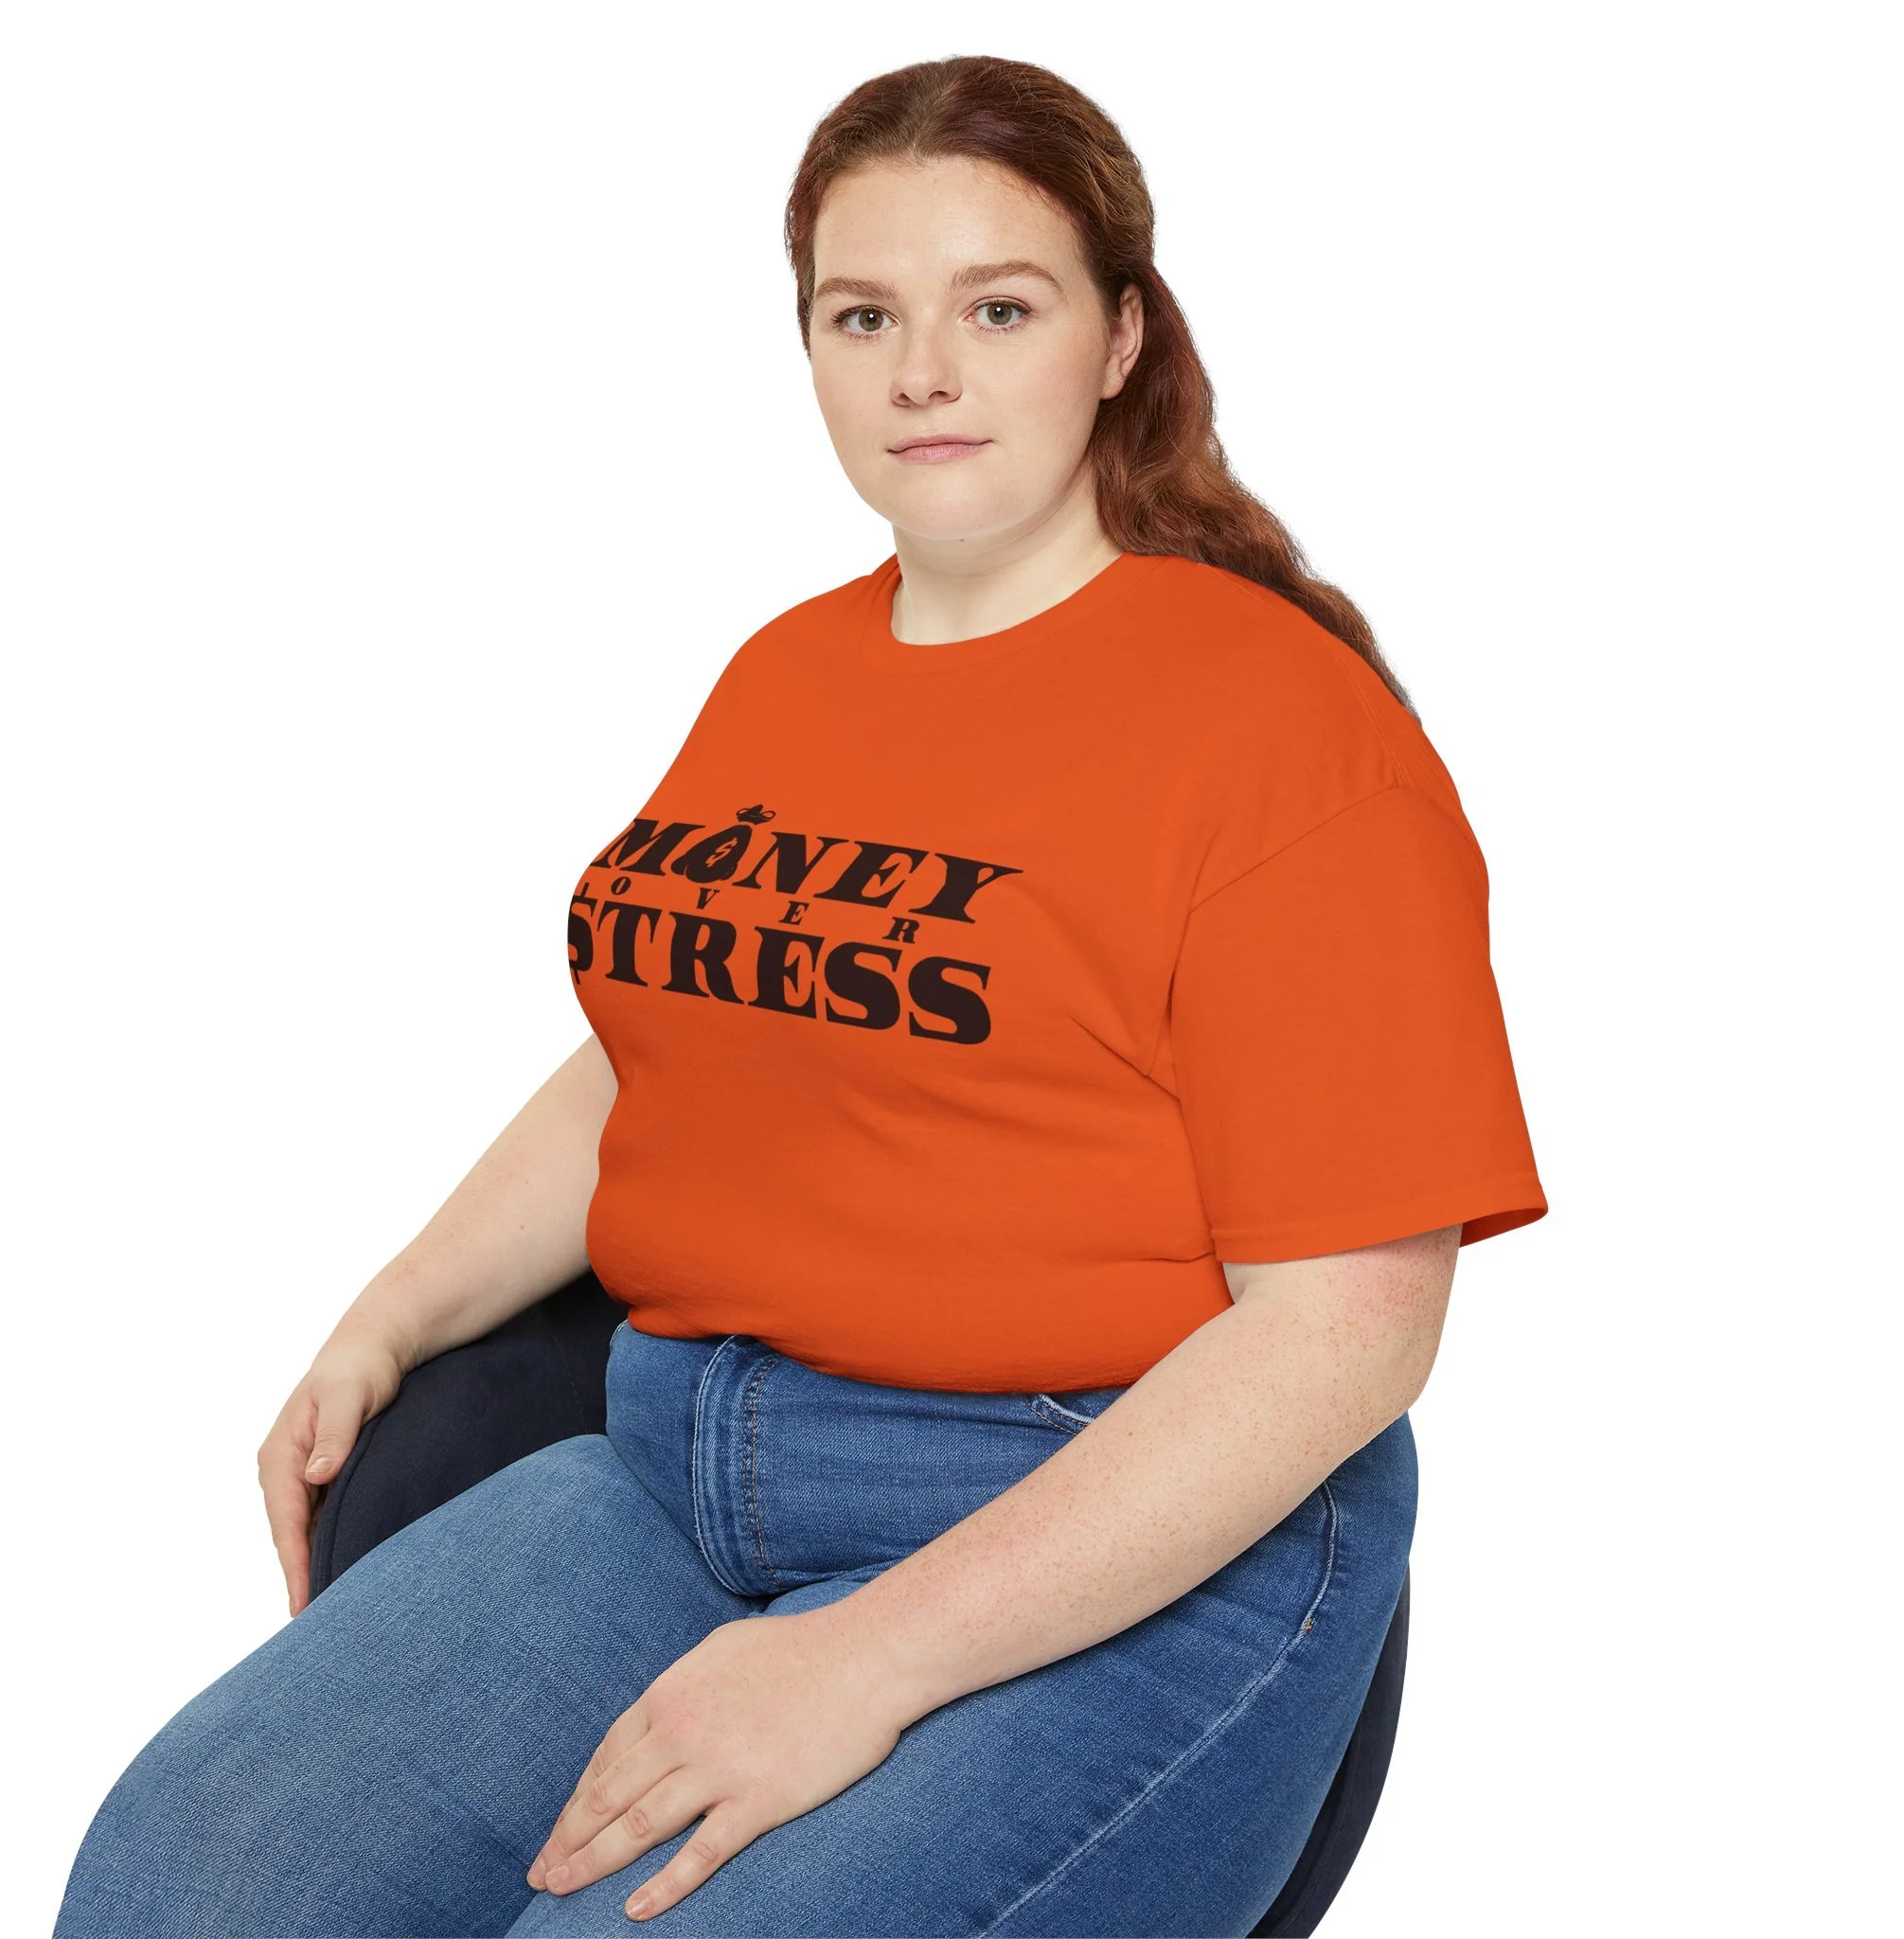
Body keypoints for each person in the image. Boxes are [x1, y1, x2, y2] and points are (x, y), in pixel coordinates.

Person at [55, 52, 1548, 1939]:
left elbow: (1345, 1333)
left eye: (996, 309)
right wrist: (392, 1313)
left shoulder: (1281, 731)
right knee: (176, 1890)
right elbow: (679, 1048)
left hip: (1097, 1513)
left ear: (1116, 338)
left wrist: (867, 1663)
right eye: (864, 315)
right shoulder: (791, 673)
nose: (923, 371)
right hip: (683, 1473)